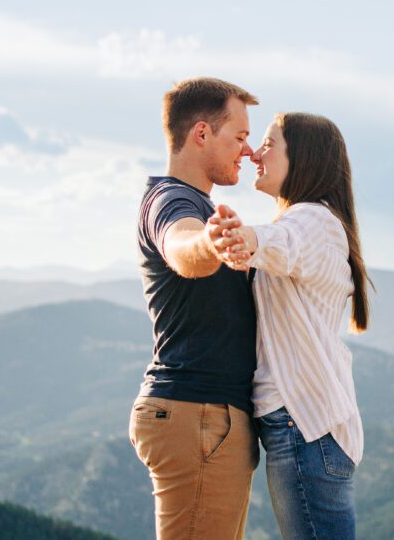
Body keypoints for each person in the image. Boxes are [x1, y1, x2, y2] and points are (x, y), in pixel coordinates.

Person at [209, 112, 372, 540]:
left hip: (303, 425)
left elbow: (282, 244)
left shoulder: (311, 221)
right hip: (309, 427)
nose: (252, 152)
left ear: (303, 157)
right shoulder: (318, 220)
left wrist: (241, 237)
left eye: (268, 143)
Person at [129, 77, 261, 540]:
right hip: (198, 415)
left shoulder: (195, 201)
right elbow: (182, 246)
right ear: (202, 133)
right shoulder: (172, 202)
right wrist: (209, 242)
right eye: (240, 137)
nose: (246, 151)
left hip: (202, 416)